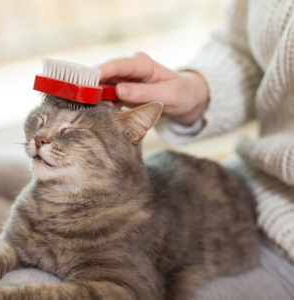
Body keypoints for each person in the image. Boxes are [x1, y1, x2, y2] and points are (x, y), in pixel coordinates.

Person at [96, 0, 294, 298]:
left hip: (281, 247)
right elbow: (242, 49)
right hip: (245, 190)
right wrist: (192, 91)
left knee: (20, 282)